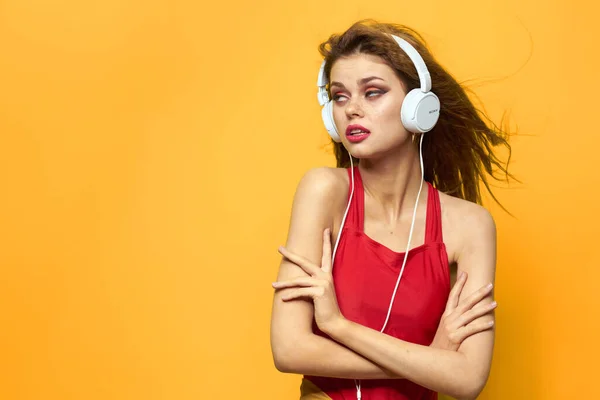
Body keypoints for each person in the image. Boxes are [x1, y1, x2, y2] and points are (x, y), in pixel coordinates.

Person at [270, 19, 514, 400]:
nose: (352, 110)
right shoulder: (323, 191)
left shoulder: (470, 225)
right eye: (339, 96)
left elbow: (468, 380)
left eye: (373, 92)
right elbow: (288, 349)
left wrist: (338, 326)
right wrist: (432, 360)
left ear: (420, 109)